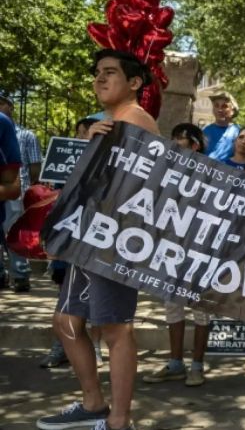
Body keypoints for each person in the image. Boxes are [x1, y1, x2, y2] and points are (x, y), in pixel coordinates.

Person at [38, 48, 159, 430]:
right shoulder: (109, 123)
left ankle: (119, 420)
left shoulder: (136, 119)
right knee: (67, 321)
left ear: (134, 82)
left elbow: (139, 187)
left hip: (117, 242)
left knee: (115, 327)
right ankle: (93, 403)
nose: (99, 79)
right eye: (96, 73)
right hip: (90, 238)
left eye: (110, 72)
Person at [142, 123, 211, 387]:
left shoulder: (212, 173)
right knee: (172, 305)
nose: (175, 142)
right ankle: (175, 364)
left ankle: (197, 365)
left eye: (180, 138)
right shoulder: (165, 171)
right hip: (170, 247)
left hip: (200, 250)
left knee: (201, 308)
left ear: (194, 144)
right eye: (173, 137)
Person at [40, 118, 105, 370]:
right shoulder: (63, 159)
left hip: (93, 239)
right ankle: (60, 348)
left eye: (88, 134)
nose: (82, 138)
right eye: (80, 134)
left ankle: (95, 347)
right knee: (64, 296)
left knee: (94, 295)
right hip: (66, 238)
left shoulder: (104, 165)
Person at [0, 93, 31, 291]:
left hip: (14, 199)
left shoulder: (4, 125)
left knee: (13, 233)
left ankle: (20, 274)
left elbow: (13, 185)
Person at [203, 92, 240, 161]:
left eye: (224, 106)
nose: (219, 110)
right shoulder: (205, 131)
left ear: (233, 111)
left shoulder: (239, 133)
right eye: (216, 106)